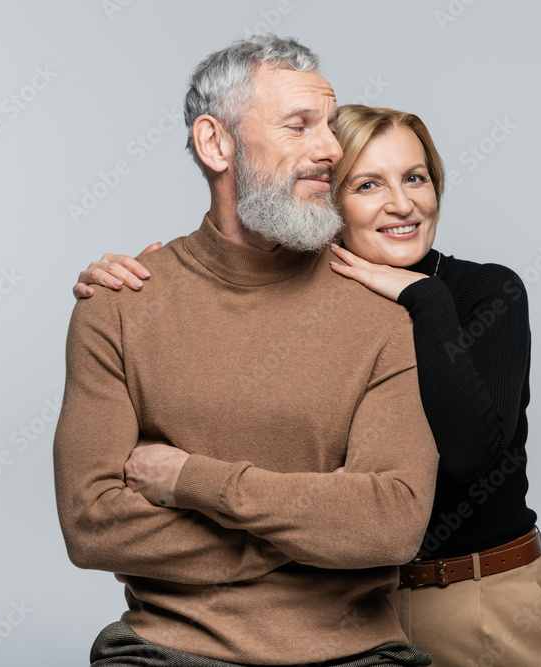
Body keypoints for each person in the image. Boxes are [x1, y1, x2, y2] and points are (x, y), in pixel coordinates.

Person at [74, 102, 541, 665]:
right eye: (367, 184)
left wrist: (425, 298)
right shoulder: (317, 308)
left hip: (480, 596)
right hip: (354, 612)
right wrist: (163, 281)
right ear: (324, 198)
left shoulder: (485, 292)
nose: (402, 203)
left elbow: (472, 457)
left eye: (416, 178)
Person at [53, 35, 439, 667]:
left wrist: (189, 482)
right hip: (168, 651)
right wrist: (304, 529)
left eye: (331, 126)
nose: (332, 150)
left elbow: (392, 522)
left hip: (358, 654)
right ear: (216, 143)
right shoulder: (118, 304)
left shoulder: (382, 313)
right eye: (300, 126)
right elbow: (92, 522)